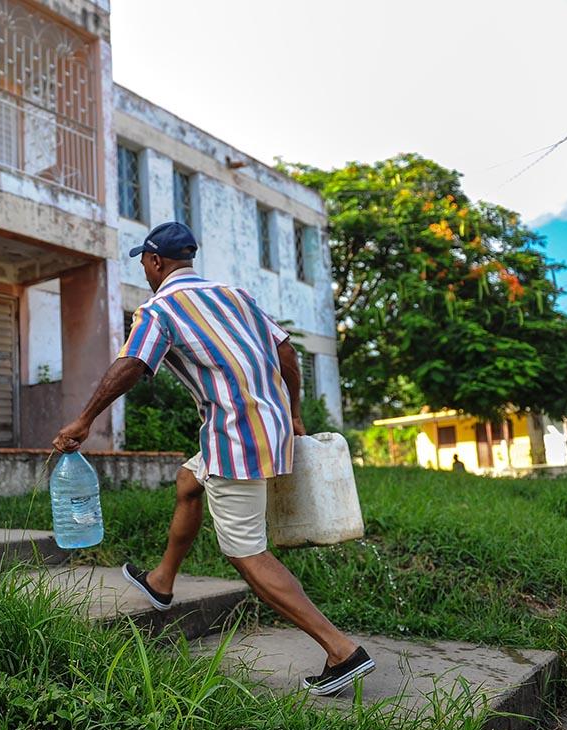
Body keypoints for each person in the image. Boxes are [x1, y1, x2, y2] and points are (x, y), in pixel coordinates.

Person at [53, 222, 375, 696]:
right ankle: (161, 582)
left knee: (246, 553)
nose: (144, 269)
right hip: (268, 425)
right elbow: (287, 353)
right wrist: (296, 415)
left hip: (236, 436)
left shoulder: (159, 307)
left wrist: (83, 420)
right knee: (188, 481)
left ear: (156, 261)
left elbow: (132, 364)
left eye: (143, 261)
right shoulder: (234, 294)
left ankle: (341, 651)